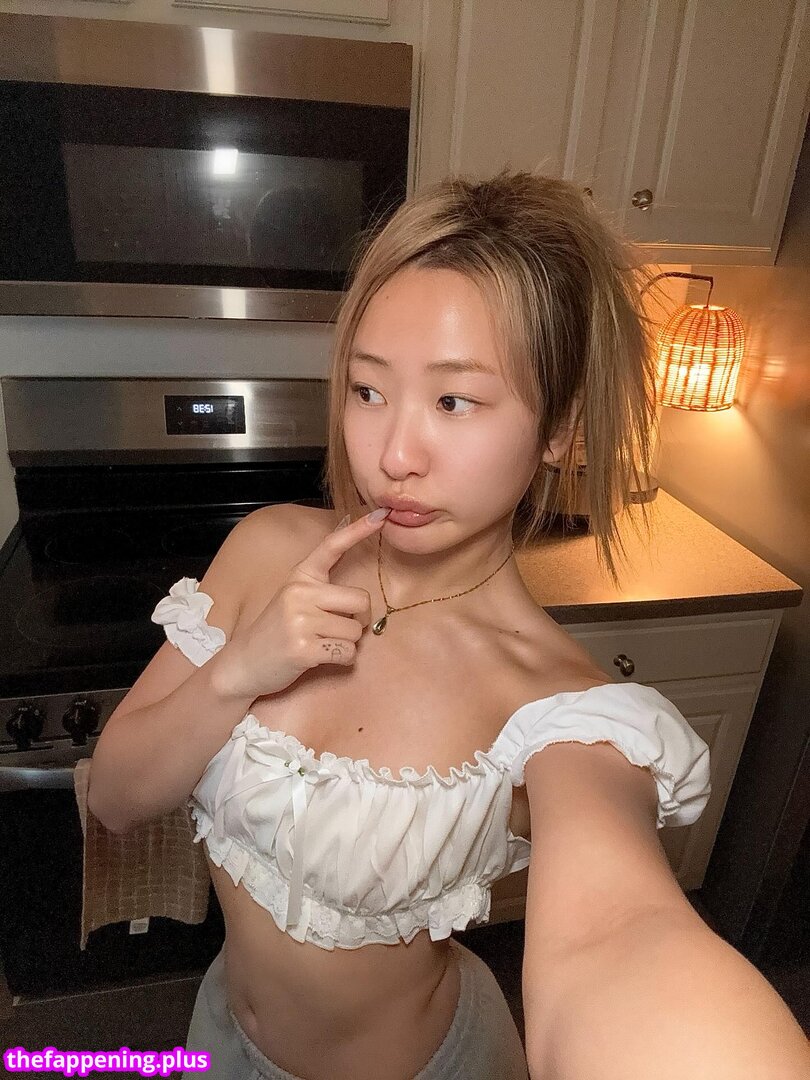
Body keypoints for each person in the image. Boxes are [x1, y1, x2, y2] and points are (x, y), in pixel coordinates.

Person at [87, 169, 810, 1080]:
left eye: (454, 401)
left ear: (560, 427)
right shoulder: (268, 551)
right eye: (368, 390)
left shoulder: (556, 707)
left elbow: (620, 934)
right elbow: (115, 797)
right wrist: (240, 670)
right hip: (220, 1039)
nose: (393, 455)